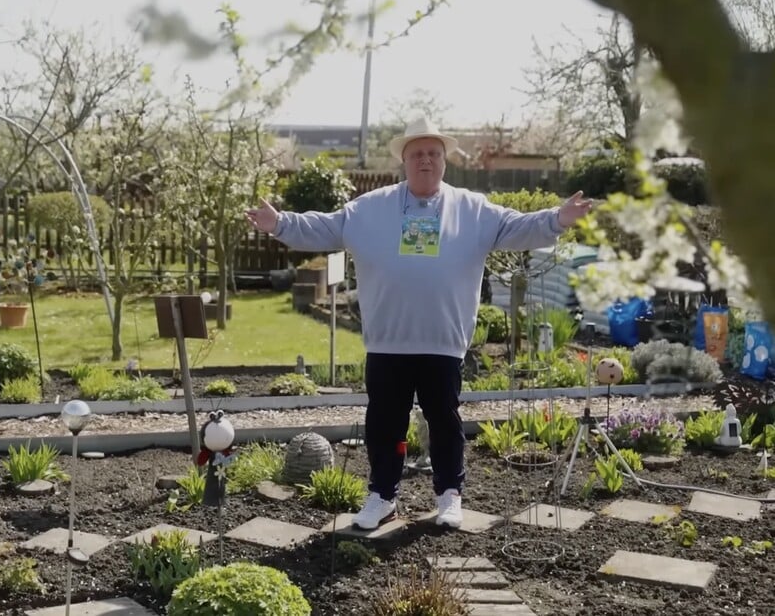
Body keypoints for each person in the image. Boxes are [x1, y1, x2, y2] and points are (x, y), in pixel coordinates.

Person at [245, 117, 591, 530]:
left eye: (433, 153)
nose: (425, 160)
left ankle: (449, 495)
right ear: (404, 162)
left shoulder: (473, 209)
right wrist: (280, 224)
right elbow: (325, 227)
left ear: (444, 161)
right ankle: (382, 495)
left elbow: (518, 227)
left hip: (442, 340)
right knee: (384, 423)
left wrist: (558, 219)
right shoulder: (369, 208)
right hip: (388, 340)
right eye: (417, 154)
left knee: (444, 420)